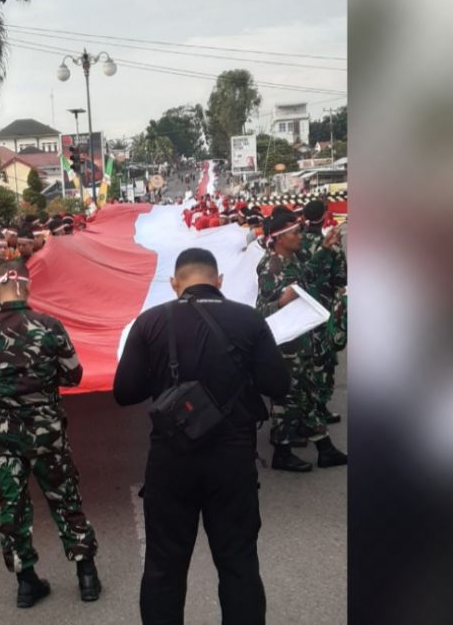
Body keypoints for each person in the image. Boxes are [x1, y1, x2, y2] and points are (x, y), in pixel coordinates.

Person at [113, 248, 290, 625]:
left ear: (174, 283)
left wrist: (163, 376)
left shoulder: (150, 322)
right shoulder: (249, 319)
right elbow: (278, 384)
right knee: (239, 562)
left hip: (171, 459)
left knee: (164, 566)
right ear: (219, 281)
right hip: (233, 458)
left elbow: (125, 392)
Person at [0, 260, 100, 608]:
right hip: (46, 432)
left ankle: (26, 582)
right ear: (28, 286)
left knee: (13, 507)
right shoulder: (50, 326)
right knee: (65, 499)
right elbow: (73, 375)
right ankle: (86, 575)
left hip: (3, 436)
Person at [255, 212, 348, 472]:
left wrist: (325, 249)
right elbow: (260, 312)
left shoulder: (291, 259)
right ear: (279, 239)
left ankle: (325, 449)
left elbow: (306, 276)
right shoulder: (271, 267)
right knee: (286, 399)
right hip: (286, 347)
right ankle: (282, 452)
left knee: (307, 395)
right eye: (295, 233)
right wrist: (280, 302)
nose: (300, 237)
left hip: (301, 343)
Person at [300, 200, 347, 425]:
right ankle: (320, 408)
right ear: (325, 215)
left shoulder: (294, 244)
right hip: (324, 314)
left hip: (298, 314)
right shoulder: (332, 248)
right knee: (325, 362)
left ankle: (302, 410)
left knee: (302, 362)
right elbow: (341, 282)